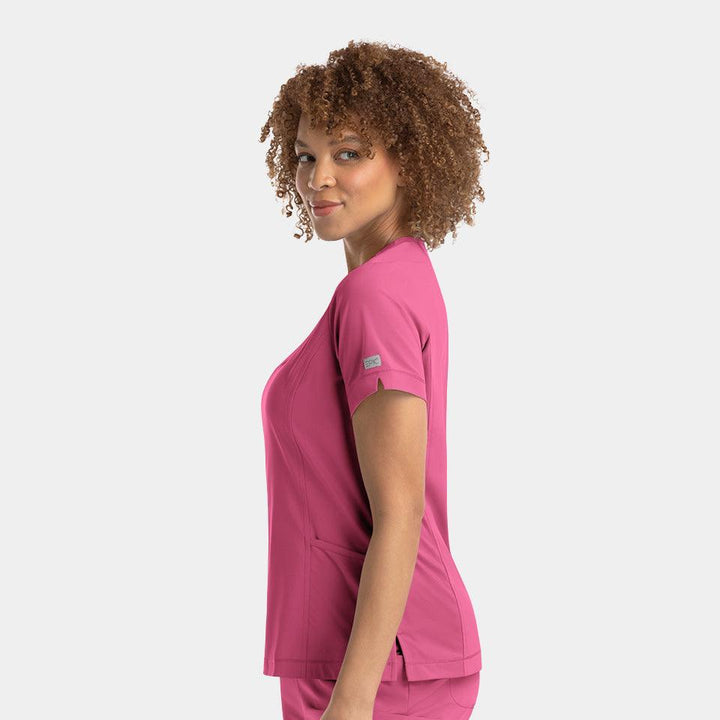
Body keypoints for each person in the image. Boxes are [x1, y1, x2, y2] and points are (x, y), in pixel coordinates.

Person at [258, 40, 490, 720]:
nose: (319, 178)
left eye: (349, 153)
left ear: (408, 160)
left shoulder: (375, 297)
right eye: (306, 155)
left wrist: (352, 701)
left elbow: (400, 510)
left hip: (373, 669)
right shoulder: (401, 273)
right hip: (376, 655)